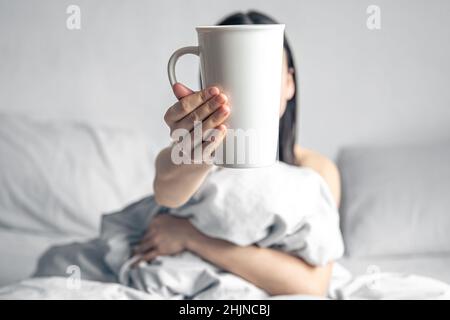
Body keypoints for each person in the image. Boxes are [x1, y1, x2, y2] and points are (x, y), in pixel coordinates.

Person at [134, 11, 341, 297]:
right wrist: (195, 149)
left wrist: (191, 237)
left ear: (289, 83)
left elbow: (312, 285)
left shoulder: (315, 172)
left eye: (265, 69)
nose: (250, 84)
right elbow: (166, 191)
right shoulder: (196, 155)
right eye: (234, 70)